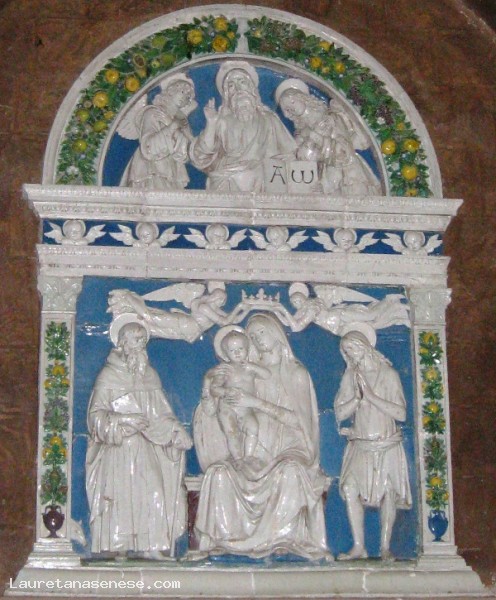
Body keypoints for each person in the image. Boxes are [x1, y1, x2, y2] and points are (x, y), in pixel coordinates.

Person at [194, 314, 331, 560]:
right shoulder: (245, 372)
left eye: (261, 332)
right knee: (219, 473)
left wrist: (255, 402)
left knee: (289, 471)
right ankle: (223, 540)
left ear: (276, 333)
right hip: (254, 449)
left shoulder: (295, 374)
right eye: (253, 336)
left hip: (290, 448)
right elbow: (213, 409)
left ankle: (282, 538)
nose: (257, 339)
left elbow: (299, 423)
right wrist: (209, 387)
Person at [85, 319, 192, 558]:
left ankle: (151, 545)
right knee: (120, 495)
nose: (141, 345)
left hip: (146, 446)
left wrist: (176, 431)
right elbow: (95, 417)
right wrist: (124, 420)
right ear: (122, 343)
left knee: (153, 490)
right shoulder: (108, 375)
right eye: (136, 340)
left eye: (143, 340)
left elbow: (161, 414)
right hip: (118, 448)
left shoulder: (149, 375)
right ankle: (118, 546)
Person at [334, 329, 412, 561]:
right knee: (350, 488)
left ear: (364, 345)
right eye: (346, 351)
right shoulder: (350, 377)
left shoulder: (388, 375)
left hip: (386, 444)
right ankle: (359, 546)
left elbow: (401, 413)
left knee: (388, 491)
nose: (350, 354)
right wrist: (357, 399)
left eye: (352, 348)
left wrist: (371, 397)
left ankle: (385, 546)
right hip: (361, 444)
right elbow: (340, 413)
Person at [190, 61, 296, 192]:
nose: (238, 89)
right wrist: (211, 124)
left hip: (262, 181)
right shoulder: (222, 122)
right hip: (226, 180)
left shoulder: (269, 120)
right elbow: (201, 157)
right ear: (227, 94)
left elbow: (290, 154)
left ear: (251, 88)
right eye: (231, 85)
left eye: (242, 82)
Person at [275, 78, 381, 196]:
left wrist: (317, 139)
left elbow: (345, 150)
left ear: (302, 98)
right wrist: (293, 155)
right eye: (286, 110)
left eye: (291, 103)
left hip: (347, 173)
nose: (288, 112)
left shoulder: (330, 118)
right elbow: (303, 157)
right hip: (324, 180)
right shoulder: (301, 133)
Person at [203, 326, 270, 460]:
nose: (237, 353)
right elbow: (214, 389)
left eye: (241, 349)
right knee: (231, 432)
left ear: (247, 350)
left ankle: (248, 457)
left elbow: (267, 375)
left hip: (246, 408)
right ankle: (238, 459)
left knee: (253, 428)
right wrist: (226, 391)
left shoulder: (249, 368)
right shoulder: (225, 369)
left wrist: (253, 366)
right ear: (225, 354)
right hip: (228, 406)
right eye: (232, 351)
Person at [125, 74, 196, 190]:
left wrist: (171, 125)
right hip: (150, 171)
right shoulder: (153, 113)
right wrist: (171, 128)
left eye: (188, 96)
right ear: (171, 91)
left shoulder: (181, 121)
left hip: (172, 173)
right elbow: (149, 147)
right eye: (182, 92)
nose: (184, 97)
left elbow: (186, 152)